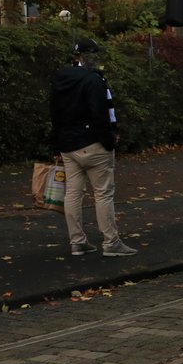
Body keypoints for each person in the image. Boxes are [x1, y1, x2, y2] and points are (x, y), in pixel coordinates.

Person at [49, 38, 137, 257]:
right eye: (94, 54)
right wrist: (108, 141)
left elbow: (54, 113)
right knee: (103, 193)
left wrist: (56, 144)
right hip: (93, 144)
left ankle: (77, 241)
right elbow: (100, 113)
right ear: (85, 56)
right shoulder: (94, 80)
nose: (96, 58)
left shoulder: (60, 78)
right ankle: (111, 242)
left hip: (68, 145)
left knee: (73, 193)